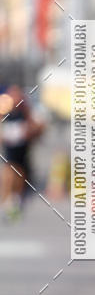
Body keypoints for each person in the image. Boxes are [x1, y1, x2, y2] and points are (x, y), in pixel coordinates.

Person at [0, 84, 44, 220]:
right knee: (9, 174)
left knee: (20, 177)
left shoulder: (26, 112)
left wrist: (29, 131)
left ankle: (15, 203)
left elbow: (38, 128)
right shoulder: (5, 112)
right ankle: (6, 203)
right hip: (10, 154)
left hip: (23, 153)